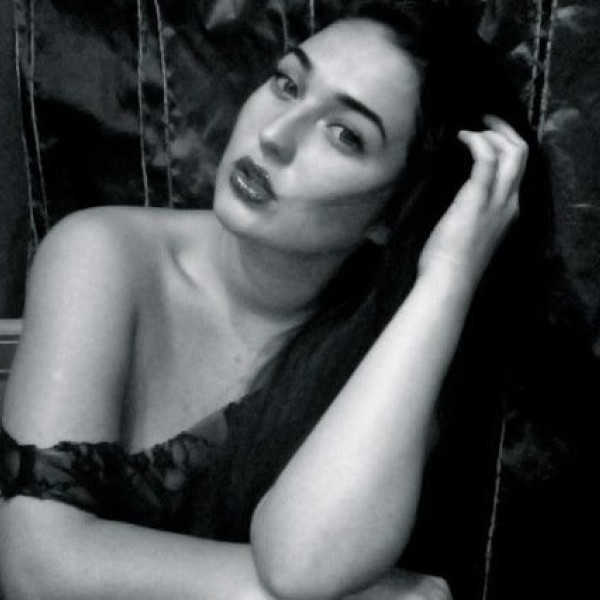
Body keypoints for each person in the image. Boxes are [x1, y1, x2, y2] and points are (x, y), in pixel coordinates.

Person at [0, 1, 530, 598]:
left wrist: (446, 276)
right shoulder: (103, 254)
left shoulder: (396, 345)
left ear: (392, 214)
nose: (274, 136)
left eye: (345, 135)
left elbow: (303, 567)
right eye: (288, 84)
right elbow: (34, 570)